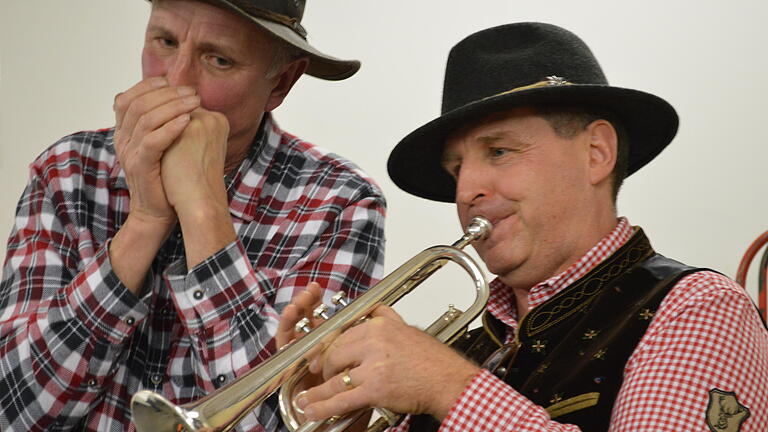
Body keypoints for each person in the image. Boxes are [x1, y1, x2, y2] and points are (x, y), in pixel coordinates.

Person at [283, 22, 768, 431]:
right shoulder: (470, 345)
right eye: (456, 169)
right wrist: (333, 409)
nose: (465, 189)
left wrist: (448, 387)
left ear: (596, 153)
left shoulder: (698, 306)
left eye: (499, 151)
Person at [0, 0, 386, 431]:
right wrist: (145, 221)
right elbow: (13, 411)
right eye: (165, 41)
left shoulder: (341, 203)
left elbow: (281, 423)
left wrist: (204, 210)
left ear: (281, 82)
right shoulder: (68, 170)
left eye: (218, 59)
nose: (175, 80)